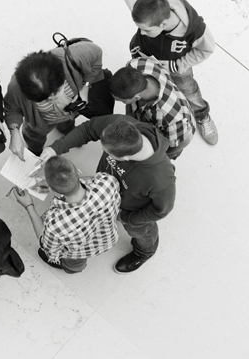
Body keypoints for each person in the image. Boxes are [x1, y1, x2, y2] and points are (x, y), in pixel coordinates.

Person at [41, 115, 176, 273]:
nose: (105, 154)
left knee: (141, 232)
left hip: (131, 212)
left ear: (124, 158)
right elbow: (89, 128)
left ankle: (145, 251)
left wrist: (128, 218)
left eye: (108, 154)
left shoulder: (161, 179)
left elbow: (161, 210)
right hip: (105, 194)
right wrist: (55, 148)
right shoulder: (120, 128)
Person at [122, 0, 218, 145]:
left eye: (146, 30)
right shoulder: (149, 13)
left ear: (163, 24)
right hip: (147, 59)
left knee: (189, 91)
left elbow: (206, 49)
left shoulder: (194, 30)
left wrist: (177, 65)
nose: (142, 33)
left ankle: (202, 116)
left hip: (177, 67)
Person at [4, 41, 115, 159]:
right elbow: (11, 109)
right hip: (41, 124)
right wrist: (14, 131)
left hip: (70, 112)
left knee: (67, 123)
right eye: (43, 99)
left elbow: (96, 53)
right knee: (34, 138)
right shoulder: (16, 87)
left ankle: (67, 130)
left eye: (55, 92)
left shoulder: (75, 56)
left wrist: (86, 85)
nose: (52, 99)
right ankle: (35, 151)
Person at [11, 156, 121, 273]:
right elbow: (94, 180)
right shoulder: (107, 183)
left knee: (73, 262)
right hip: (107, 238)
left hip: (79, 251)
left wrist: (29, 206)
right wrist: (65, 184)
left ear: (52, 190)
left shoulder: (56, 224)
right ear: (78, 172)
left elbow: (45, 243)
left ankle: (73, 269)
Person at [110, 57, 196, 159]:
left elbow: (180, 144)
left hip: (176, 134)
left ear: (137, 97)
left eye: (122, 101)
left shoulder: (172, 120)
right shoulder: (137, 64)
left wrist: (155, 156)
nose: (123, 103)